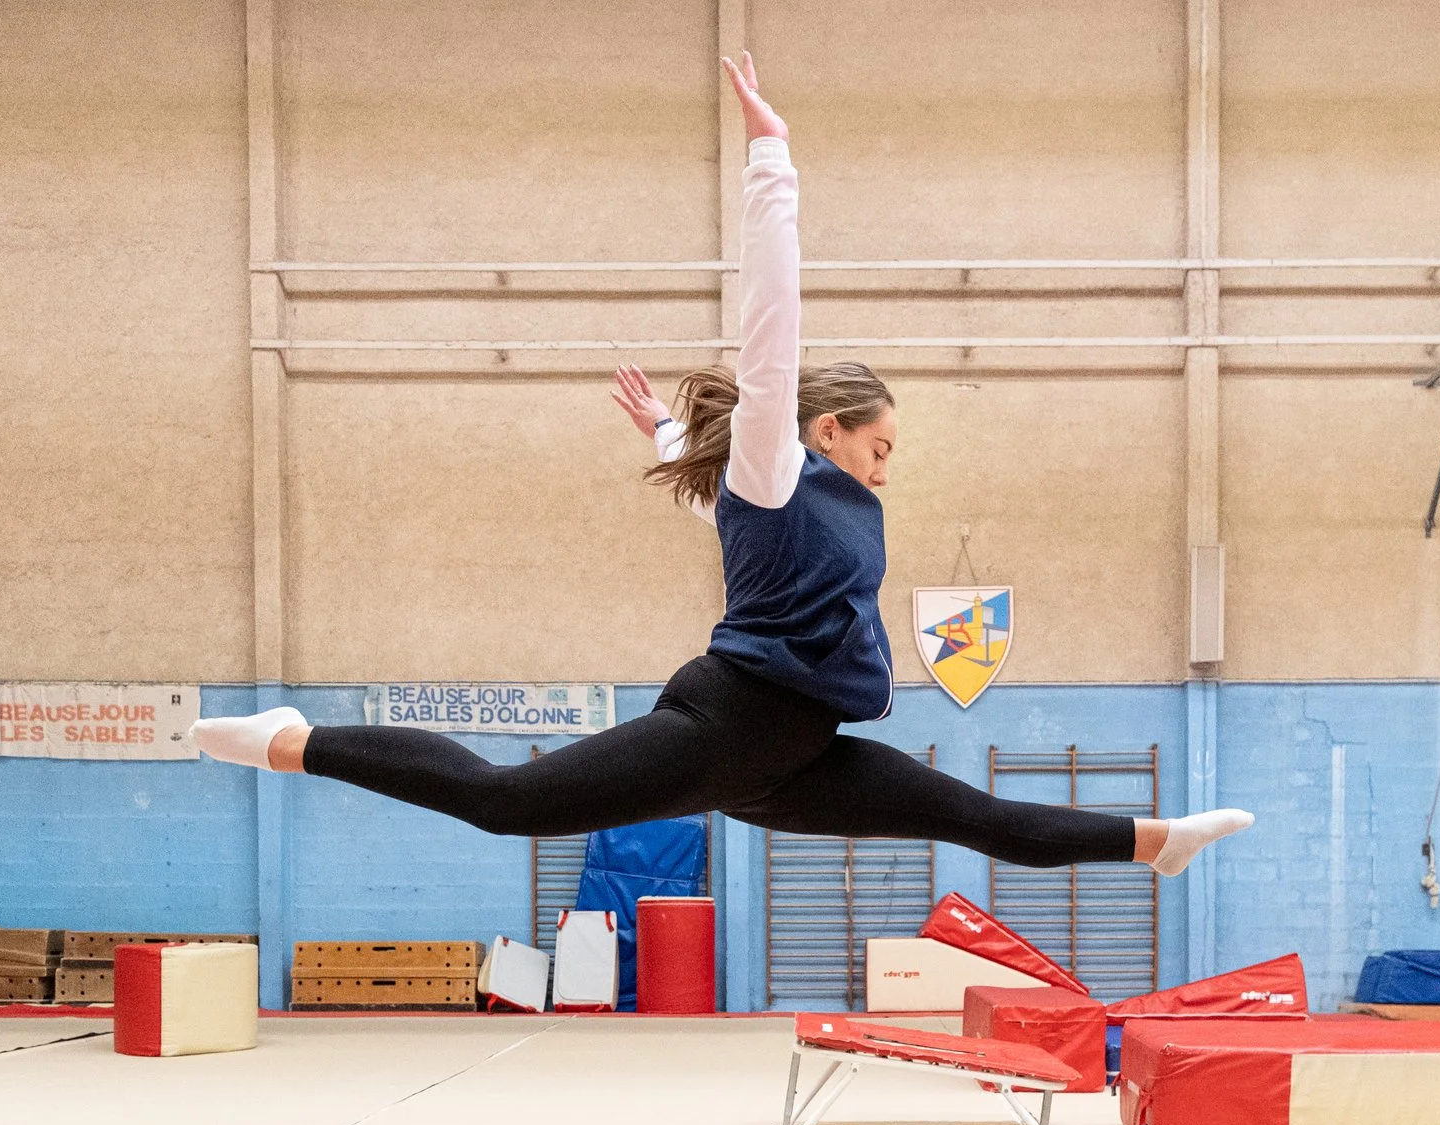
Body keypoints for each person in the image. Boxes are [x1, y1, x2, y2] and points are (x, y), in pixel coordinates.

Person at [191, 54, 1251, 878]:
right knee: (504, 803)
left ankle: (1154, 841)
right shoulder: (778, 464)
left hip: (791, 753)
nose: (887, 465)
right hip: (727, 722)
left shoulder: (819, 509)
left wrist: (662, 432)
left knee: (964, 813)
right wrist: (770, 164)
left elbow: (721, 526)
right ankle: (296, 738)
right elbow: (769, 331)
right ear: (826, 427)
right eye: (878, 443)